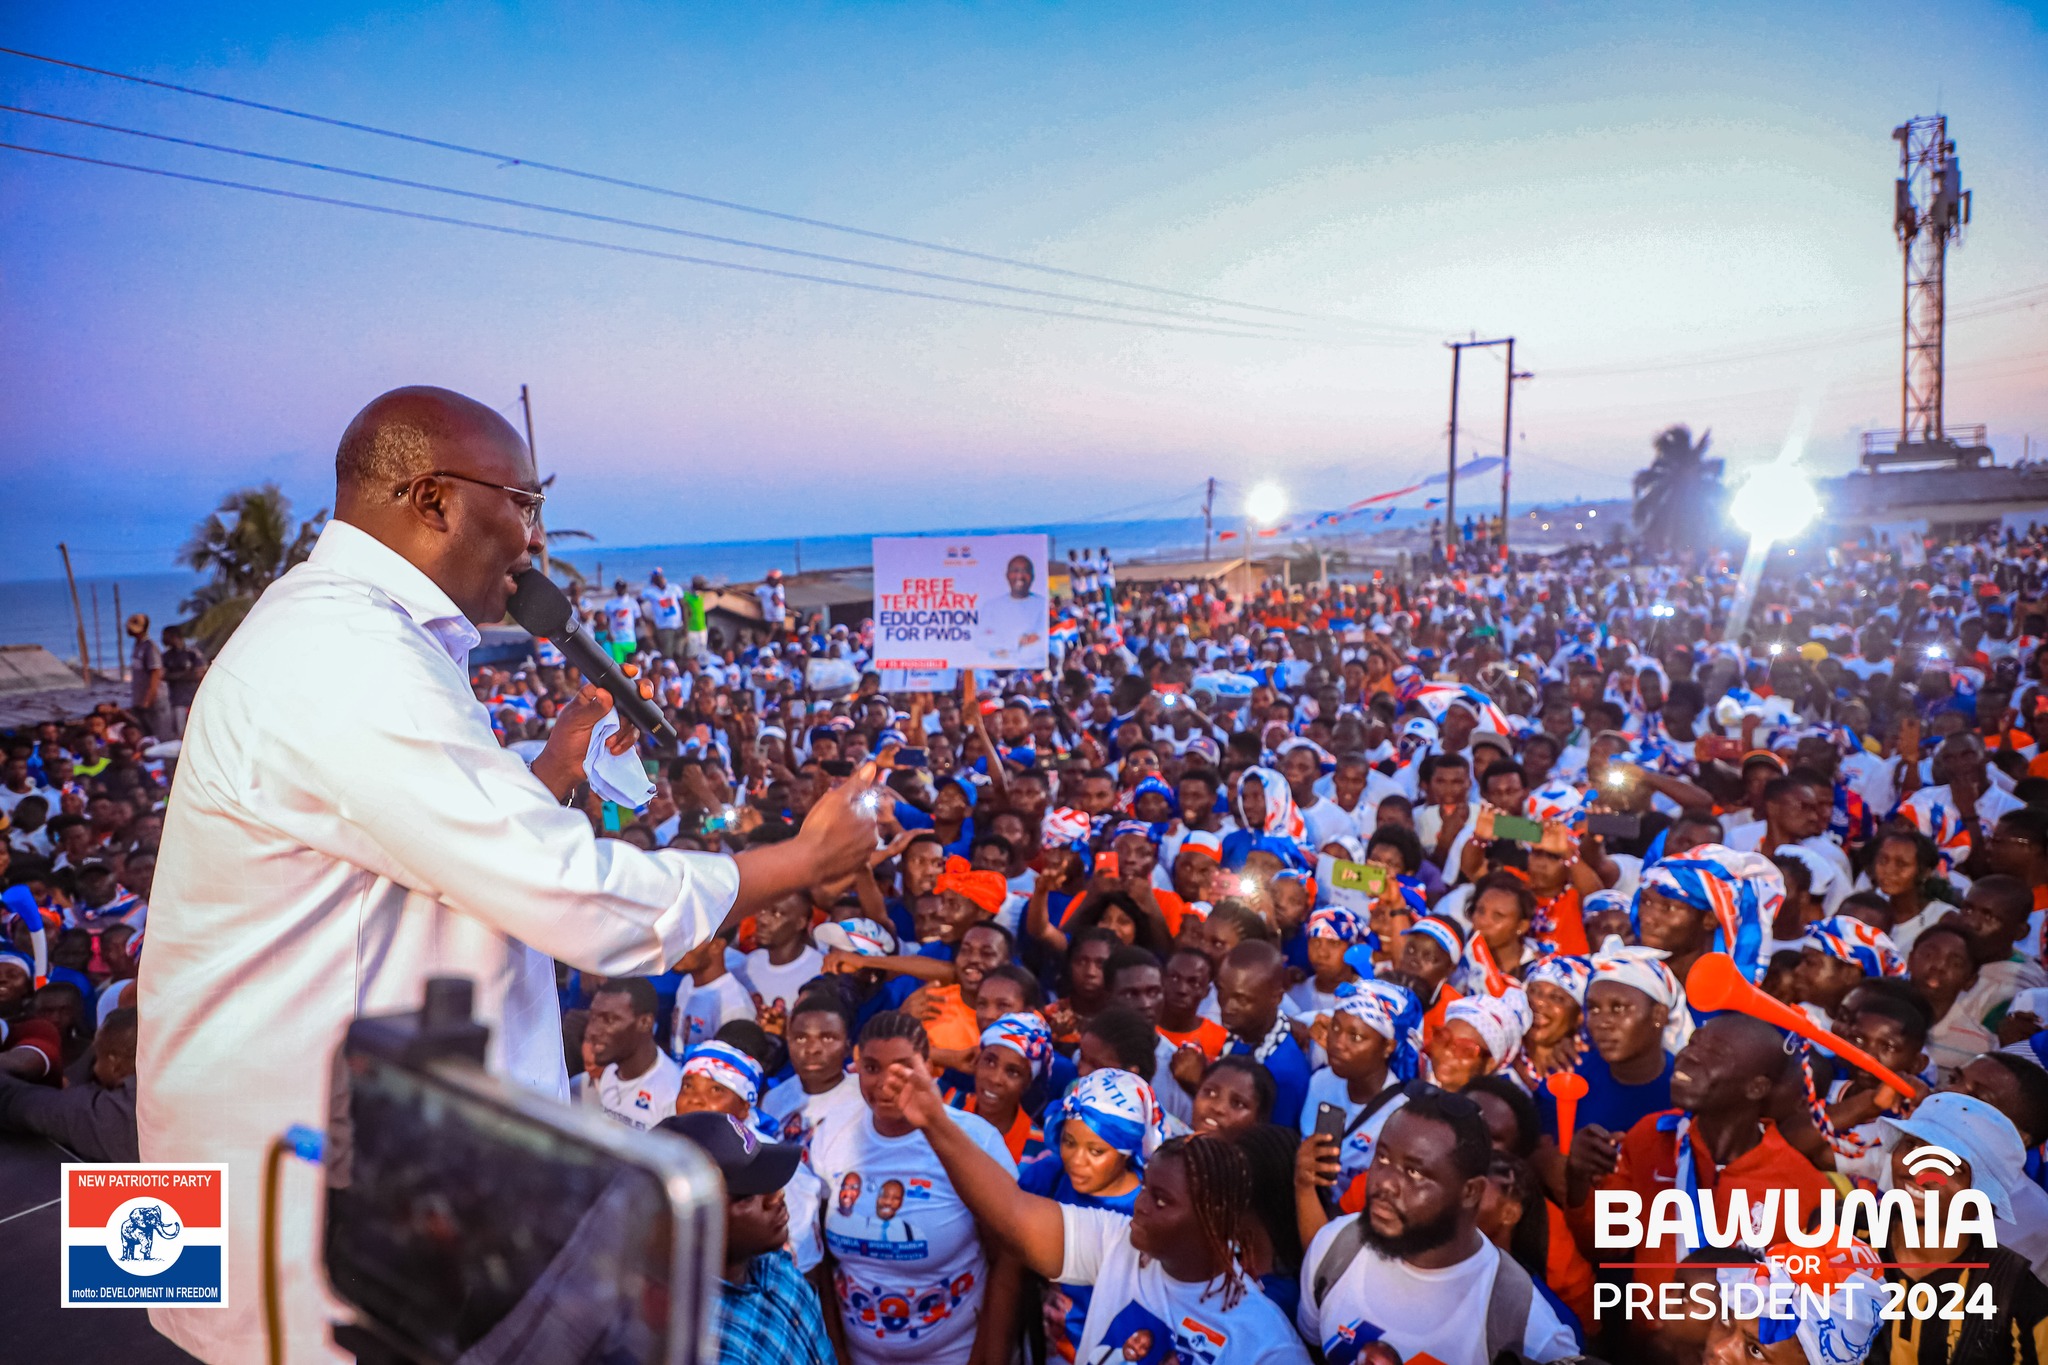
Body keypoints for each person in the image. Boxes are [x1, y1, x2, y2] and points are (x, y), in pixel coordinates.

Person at [137, 386, 881, 1364]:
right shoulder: (344, 652)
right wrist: (795, 861)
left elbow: (410, 868)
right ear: (432, 497)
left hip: (322, 1186)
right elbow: (564, 894)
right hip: (324, 1231)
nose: (534, 537)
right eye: (522, 502)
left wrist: (554, 771)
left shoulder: (339, 632)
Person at [872, 1052, 1311, 1365]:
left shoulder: (1265, 1344)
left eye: (1161, 1200)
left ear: (1214, 1220)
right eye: (1147, 1189)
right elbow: (1012, 1213)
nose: (1140, 1204)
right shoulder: (1119, 1246)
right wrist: (933, 1120)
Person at [1299, 1087, 1581, 1364]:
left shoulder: (1523, 1324)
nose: (1385, 1182)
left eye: (1415, 1172)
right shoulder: (1335, 1246)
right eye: (1382, 1157)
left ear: (1471, 1192)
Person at [804, 1011, 1018, 1365]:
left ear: (930, 1068)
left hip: (954, 1354)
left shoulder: (975, 1140)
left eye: (903, 1069)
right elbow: (822, 1262)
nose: (886, 1083)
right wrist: (837, 1352)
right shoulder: (833, 1135)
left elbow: (1007, 1263)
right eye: (872, 1068)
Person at [656, 1111, 836, 1365]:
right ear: (691, 1221)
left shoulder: (771, 1262)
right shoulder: (708, 1349)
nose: (777, 1196)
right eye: (748, 1195)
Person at [0, 1004, 137, 1161]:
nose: (95, 1069)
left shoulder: (123, 1116)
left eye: (97, 1057)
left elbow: (22, 1103)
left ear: (115, 1065)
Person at [580, 977, 683, 1129]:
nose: (592, 1031)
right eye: (593, 1018)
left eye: (608, 1020)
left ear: (645, 1023)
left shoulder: (671, 1094)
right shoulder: (610, 1072)